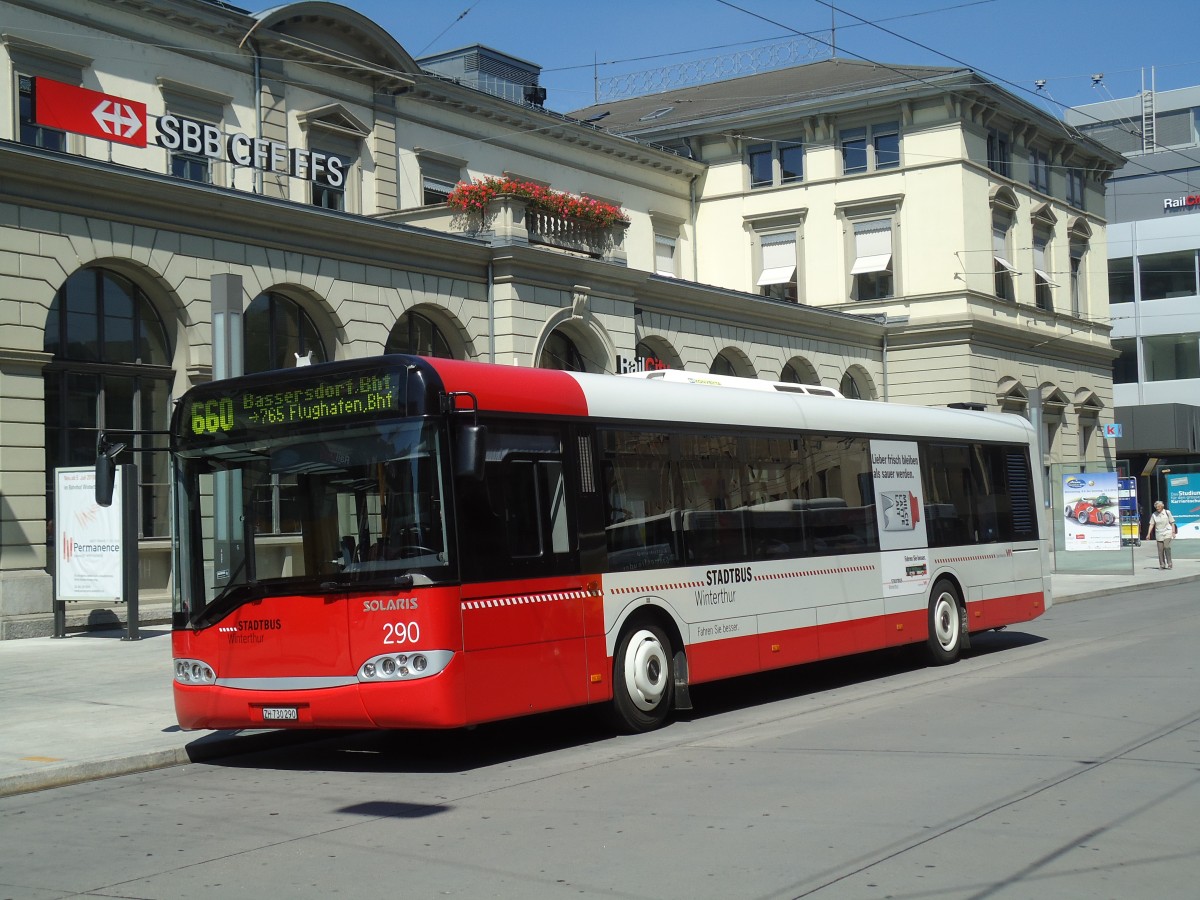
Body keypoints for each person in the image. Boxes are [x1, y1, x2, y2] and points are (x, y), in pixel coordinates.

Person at [1145, 500, 1177, 569]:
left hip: (1167, 532)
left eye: (1159, 506)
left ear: (1162, 506)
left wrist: (1173, 532)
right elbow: (1151, 524)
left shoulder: (1167, 512)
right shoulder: (1154, 514)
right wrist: (1148, 534)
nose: (1157, 508)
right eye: (1156, 507)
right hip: (1159, 533)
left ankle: (1169, 563)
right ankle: (1162, 564)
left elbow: (1172, 522)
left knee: (1166, 546)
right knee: (1160, 550)